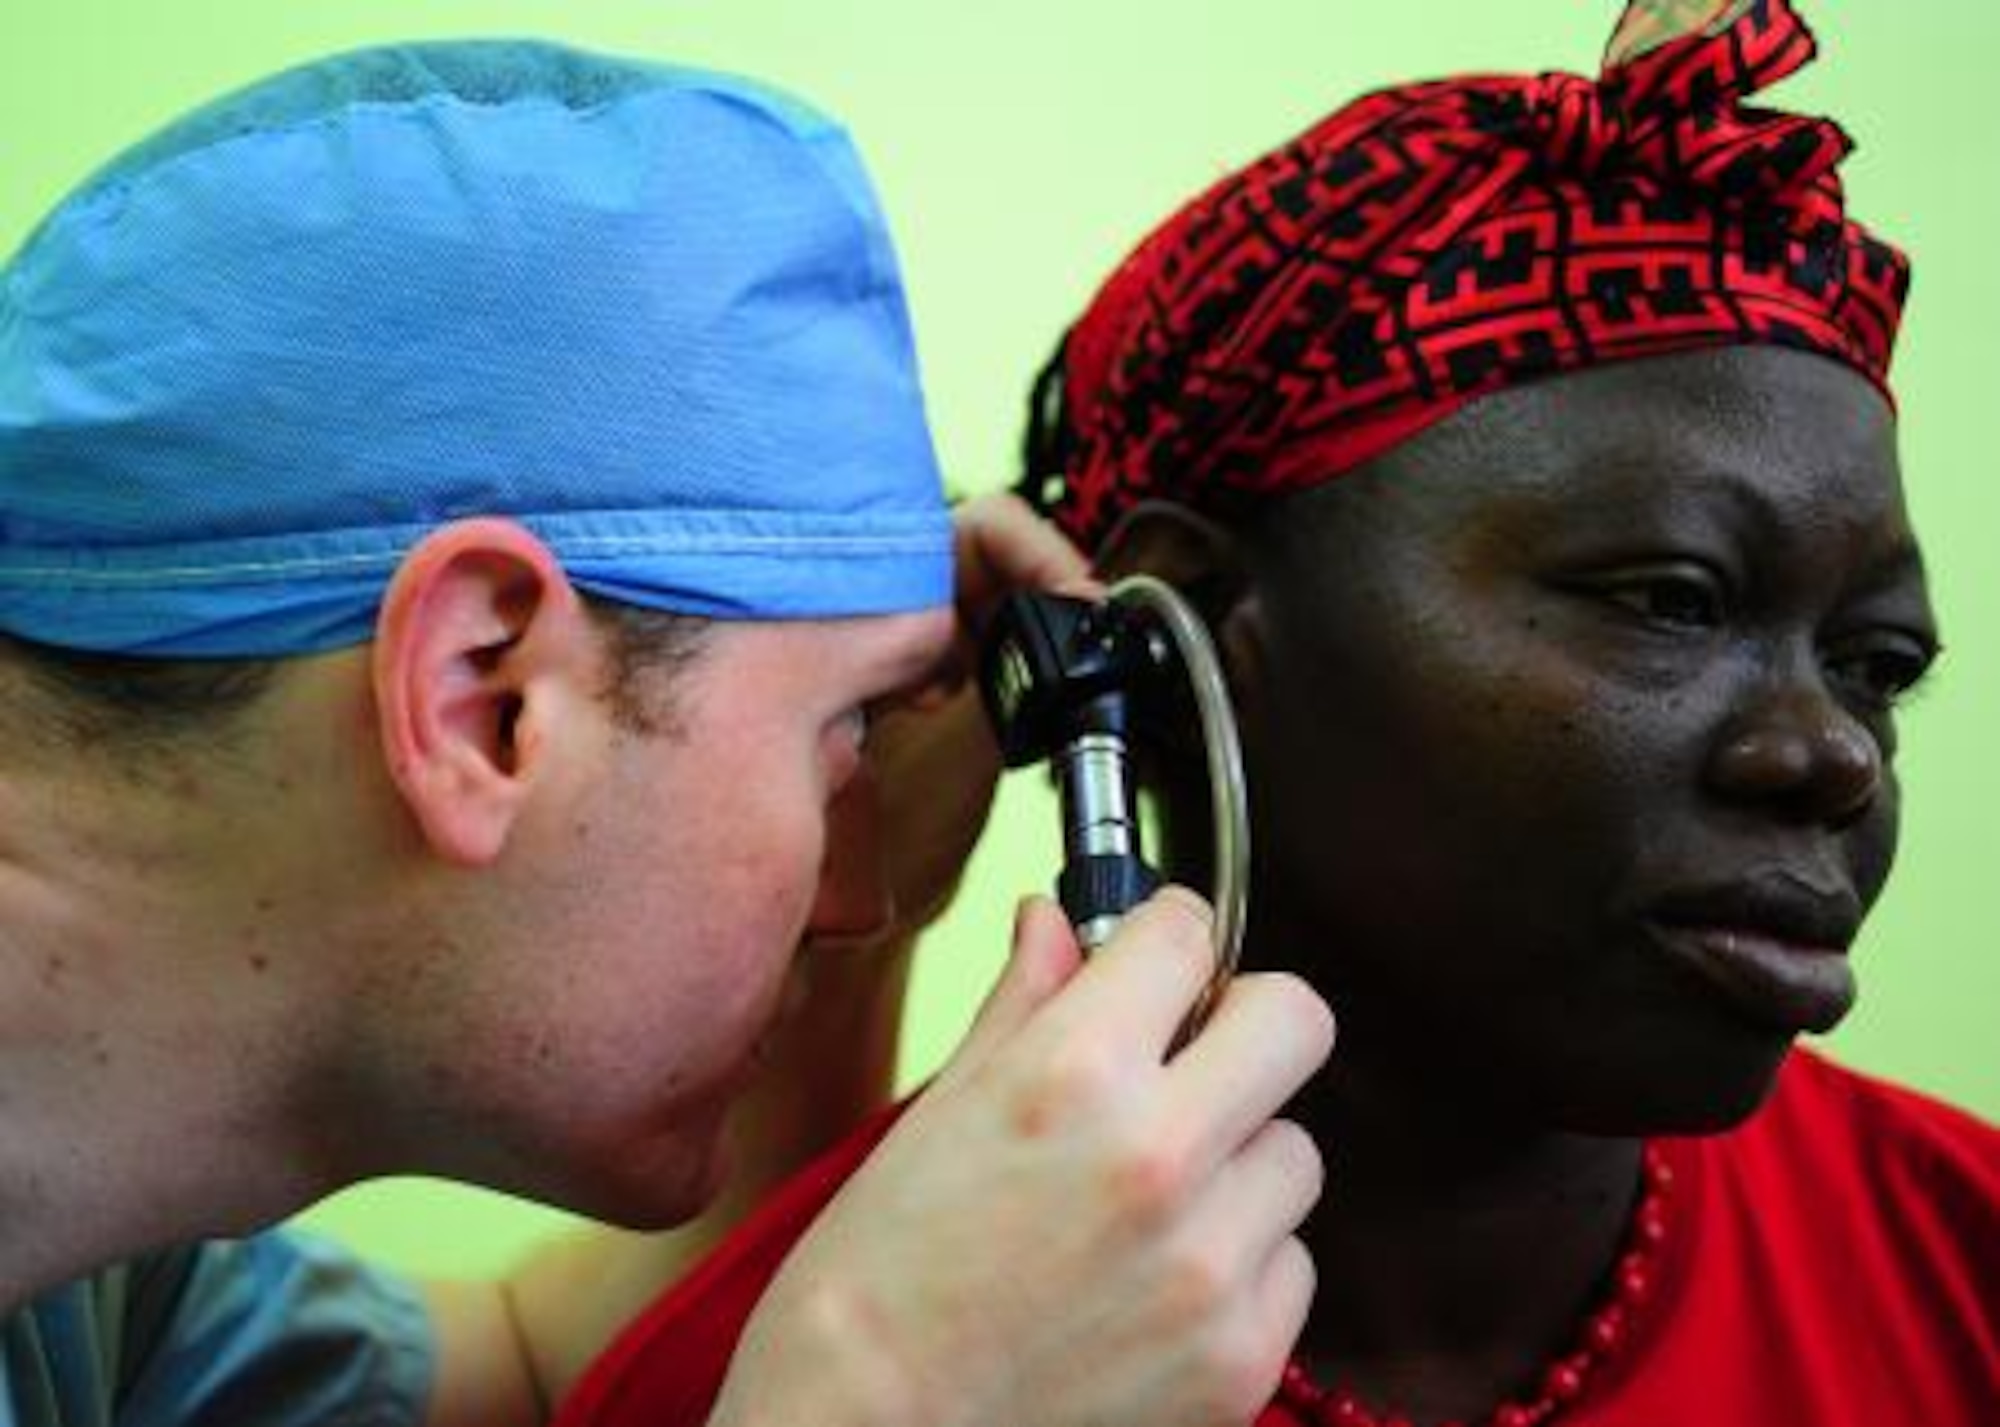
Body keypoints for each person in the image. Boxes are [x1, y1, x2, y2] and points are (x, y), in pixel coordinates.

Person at [549, 2, 2000, 1424]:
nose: (1831, 753)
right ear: (1185, 627)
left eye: (1877, 663)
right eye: (1674, 598)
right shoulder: (786, 1382)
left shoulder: (1965, 1261)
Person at [0, 39, 1338, 1427]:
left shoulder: (97, 1292)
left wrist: (864, 973)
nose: (858, 889)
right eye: (842, 738)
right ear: (483, 696)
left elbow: (534, 1375)